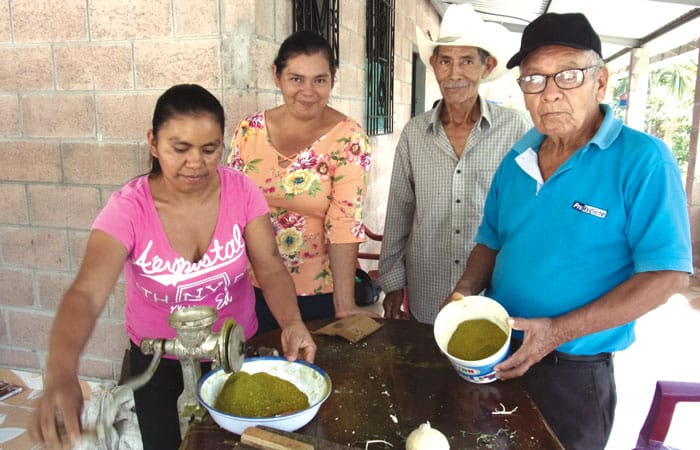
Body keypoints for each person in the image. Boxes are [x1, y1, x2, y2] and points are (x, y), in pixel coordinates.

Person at [446, 12, 692, 450]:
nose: (550, 94)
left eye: (569, 75)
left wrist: (556, 331)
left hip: (574, 371)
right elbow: (490, 239)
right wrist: (465, 293)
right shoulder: (517, 158)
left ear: (601, 82)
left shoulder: (643, 159)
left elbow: (668, 276)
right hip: (498, 354)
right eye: (534, 80)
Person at [30, 84, 317, 450]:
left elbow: (271, 266)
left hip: (233, 347)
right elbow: (86, 293)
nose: (195, 162)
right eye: (179, 148)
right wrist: (60, 371)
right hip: (155, 354)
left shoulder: (241, 192)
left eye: (209, 149)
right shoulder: (129, 209)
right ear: (153, 143)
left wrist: (292, 322)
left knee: (236, 442)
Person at [378, 3, 531, 323]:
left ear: (486, 67)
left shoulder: (516, 129)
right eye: (445, 61)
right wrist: (392, 282)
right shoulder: (415, 134)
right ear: (433, 65)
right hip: (426, 289)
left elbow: (529, 209)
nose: (454, 73)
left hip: (494, 290)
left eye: (466, 61)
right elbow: (399, 210)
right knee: (424, 369)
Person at [227, 30, 379, 334]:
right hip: (252, 285)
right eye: (296, 78)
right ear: (277, 75)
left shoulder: (348, 138)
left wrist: (344, 304)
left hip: (316, 294)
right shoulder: (249, 130)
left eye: (319, 80)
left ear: (333, 79)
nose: (308, 91)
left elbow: (344, 223)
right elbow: (231, 203)